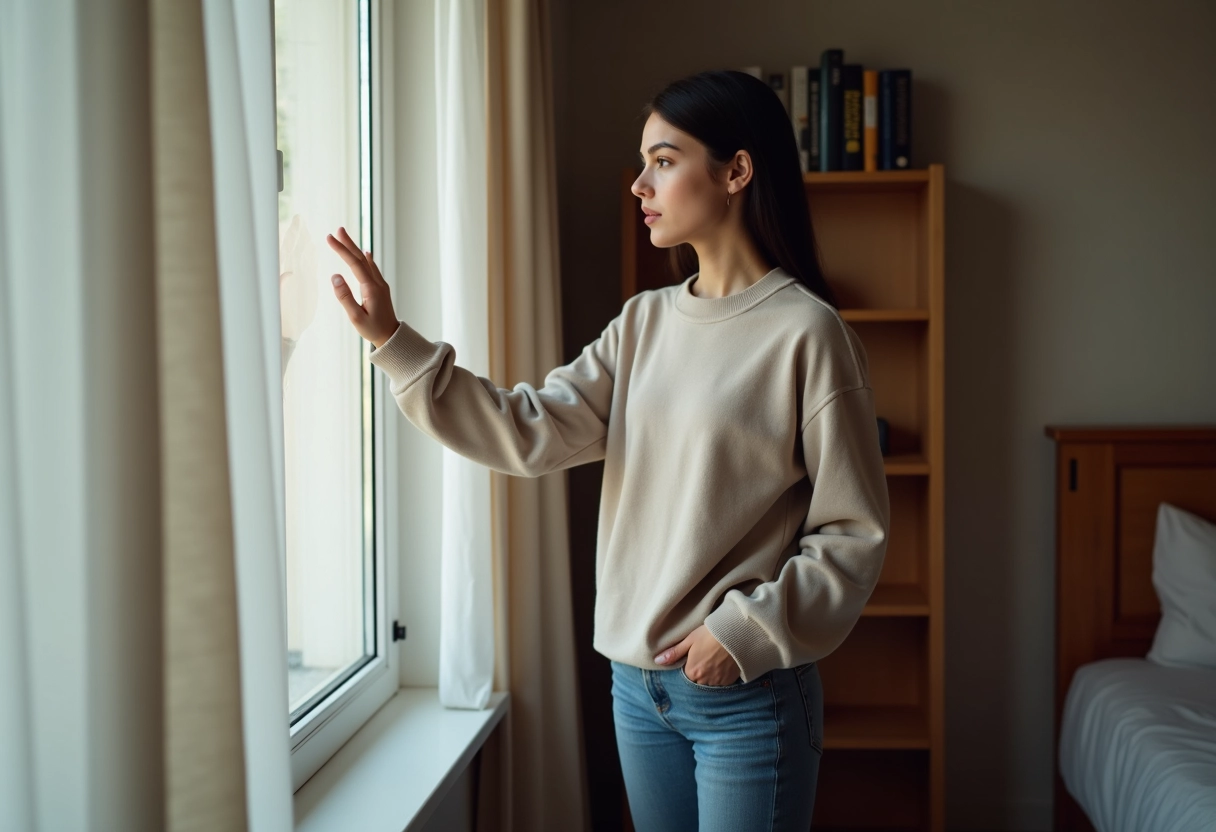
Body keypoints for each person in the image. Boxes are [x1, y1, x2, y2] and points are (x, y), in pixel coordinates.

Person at [325, 69, 890, 832]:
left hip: (745, 694)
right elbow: (529, 430)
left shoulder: (809, 335)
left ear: (736, 172)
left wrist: (741, 633)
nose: (639, 185)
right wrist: (394, 343)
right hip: (637, 690)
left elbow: (853, 535)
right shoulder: (643, 323)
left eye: (663, 160)